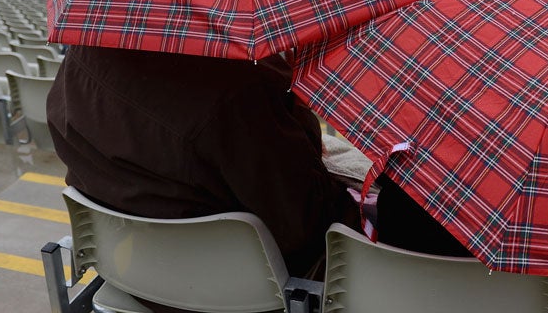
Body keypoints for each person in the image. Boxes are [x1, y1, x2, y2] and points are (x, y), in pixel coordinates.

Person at [46, 44, 359, 303]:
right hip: (233, 295)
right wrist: (296, 113)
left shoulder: (82, 53)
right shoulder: (238, 87)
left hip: (126, 268)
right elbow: (302, 225)